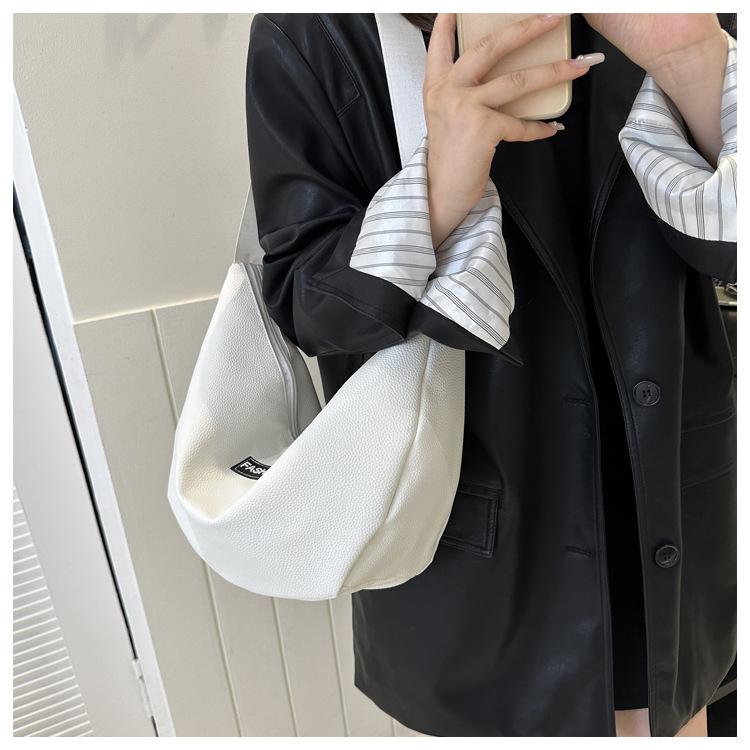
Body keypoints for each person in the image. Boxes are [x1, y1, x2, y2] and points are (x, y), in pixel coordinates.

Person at [245, 12, 737, 737]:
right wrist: (439, 188)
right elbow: (306, 308)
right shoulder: (318, 33)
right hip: (482, 564)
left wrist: (694, 57)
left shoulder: (661, 12)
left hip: (666, 522)